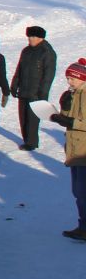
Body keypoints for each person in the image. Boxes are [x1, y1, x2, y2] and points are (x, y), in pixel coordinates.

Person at [12, 26, 58, 152]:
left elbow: (49, 75)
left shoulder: (47, 52)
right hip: (24, 90)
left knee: (32, 118)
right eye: (29, 36)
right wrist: (14, 84)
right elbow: (19, 69)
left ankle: (31, 142)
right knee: (23, 116)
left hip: (36, 92)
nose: (31, 39)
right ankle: (26, 139)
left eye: (33, 37)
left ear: (41, 38)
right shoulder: (26, 51)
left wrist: (43, 93)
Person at [54, 59, 86, 240]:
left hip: (84, 150)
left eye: (72, 79)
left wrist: (71, 121)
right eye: (67, 79)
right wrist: (63, 111)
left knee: (83, 192)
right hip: (74, 149)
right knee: (78, 192)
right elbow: (69, 118)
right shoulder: (74, 94)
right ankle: (83, 225)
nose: (69, 82)